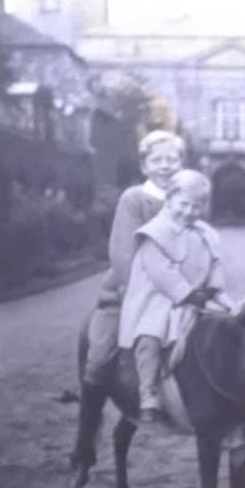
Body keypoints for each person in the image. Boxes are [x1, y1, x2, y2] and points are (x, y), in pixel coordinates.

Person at [118, 169, 234, 429]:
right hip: (157, 300)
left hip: (197, 297)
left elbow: (216, 263)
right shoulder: (154, 233)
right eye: (183, 204)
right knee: (149, 336)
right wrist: (193, 296)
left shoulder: (206, 233)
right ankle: (148, 392)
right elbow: (163, 274)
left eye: (197, 206)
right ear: (169, 200)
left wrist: (215, 289)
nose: (189, 211)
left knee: (229, 323)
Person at [83, 130, 185, 388]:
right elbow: (123, 253)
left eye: (171, 160)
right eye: (157, 160)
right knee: (101, 357)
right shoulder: (134, 198)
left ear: (181, 163)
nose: (165, 167)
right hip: (132, 290)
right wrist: (140, 293)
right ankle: (92, 392)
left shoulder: (186, 200)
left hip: (178, 289)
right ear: (144, 165)